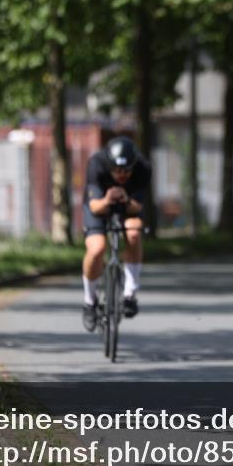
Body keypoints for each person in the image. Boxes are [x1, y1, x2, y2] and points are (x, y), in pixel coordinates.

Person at [81, 136, 151, 331]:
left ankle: (130, 293)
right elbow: (95, 207)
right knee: (97, 248)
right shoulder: (96, 164)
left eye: (126, 170)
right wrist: (107, 199)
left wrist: (126, 200)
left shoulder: (143, 167)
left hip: (128, 206)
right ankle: (89, 301)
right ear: (109, 165)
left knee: (134, 232)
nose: (122, 175)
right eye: (117, 170)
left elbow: (136, 207)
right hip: (100, 206)